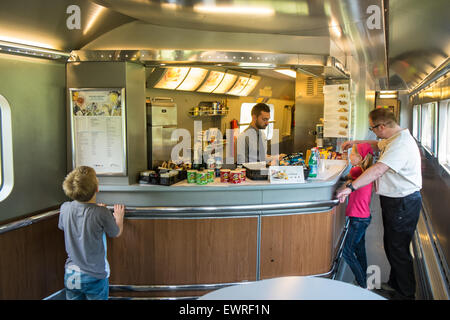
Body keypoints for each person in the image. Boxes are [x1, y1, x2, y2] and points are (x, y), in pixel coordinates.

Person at [336, 108, 422, 300]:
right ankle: (395, 285)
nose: (373, 131)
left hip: (403, 202)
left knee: (398, 249)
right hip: (396, 201)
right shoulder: (394, 139)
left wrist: (351, 187)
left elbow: (378, 169)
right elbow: (377, 144)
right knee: (392, 245)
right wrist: (355, 143)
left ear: (381, 126)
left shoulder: (400, 144)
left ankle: (405, 295)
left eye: (373, 128)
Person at [58, 166, 125, 300]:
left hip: (71, 274)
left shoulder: (65, 208)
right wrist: (119, 218)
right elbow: (116, 232)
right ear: (97, 189)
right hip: (94, 275)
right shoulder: (101, 213)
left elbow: (62, 226)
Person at [341, 143, 374, 289]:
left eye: (352, 154)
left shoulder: (356, 170)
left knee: (346, 252)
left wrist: (347, 182)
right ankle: (363, 278)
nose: (349, 156)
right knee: (359, 249)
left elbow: (344, 177)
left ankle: (362, 284)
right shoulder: (365, 171)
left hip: (358, 219)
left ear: (359, 158)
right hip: (364, 217)